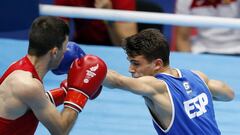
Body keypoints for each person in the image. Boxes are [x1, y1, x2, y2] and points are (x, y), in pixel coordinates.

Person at [103, 28, 235, 134]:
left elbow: (117, 81)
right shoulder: (197, 76)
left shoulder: (157, 86)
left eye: (136, 64)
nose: (131, 69)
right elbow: (229, 95)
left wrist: (85, 66)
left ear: (157, 64)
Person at [0, 16, 107, 135]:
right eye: (65, 47)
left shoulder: (17, 68)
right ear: (55, 52)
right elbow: (61, 130)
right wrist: (78, 93)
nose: (67, 51)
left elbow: (33, 105)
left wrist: (65, 91)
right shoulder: (28, 85)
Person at [54, 0, 138, 46]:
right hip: (83, 45)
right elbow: (58, 39)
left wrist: (109, 18)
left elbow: (128, 46)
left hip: (112, 46)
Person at [175, 0, 240, 55]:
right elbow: (183, 39)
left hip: (237, 49)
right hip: (201, 50)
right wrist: (188, 63)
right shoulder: (185, 1)